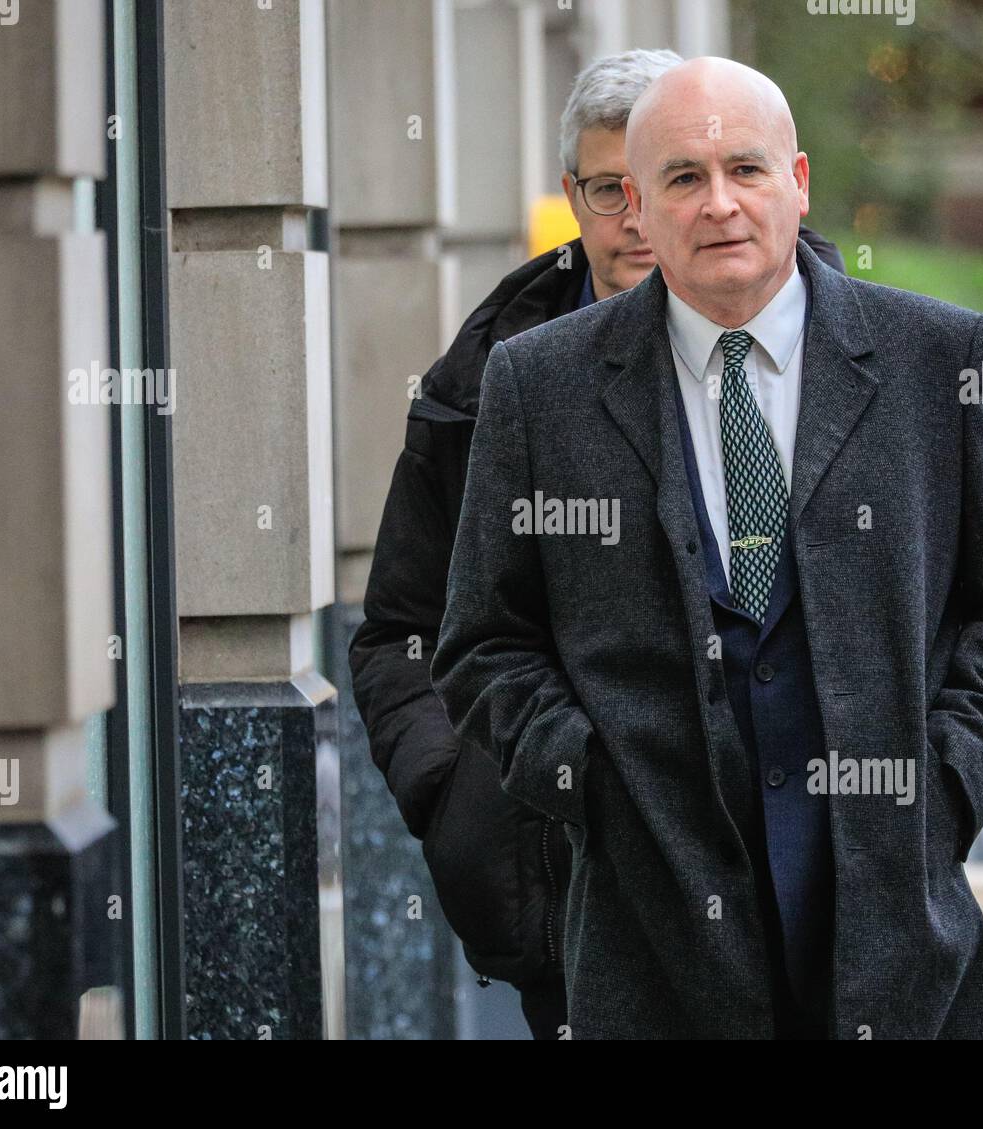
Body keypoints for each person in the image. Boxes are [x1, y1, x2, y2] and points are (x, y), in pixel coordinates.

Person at [432, 56, 983, 1039]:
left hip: (896, 934)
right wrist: (595, 785)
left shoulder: (939, 359)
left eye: (747, 169)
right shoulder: (540, 385)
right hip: (649, 945)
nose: (720, 204)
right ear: (636, 211)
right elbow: (483, 642)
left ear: (799, 181)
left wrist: (942, 788)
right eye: (683, 179)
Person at [347, 47, 846, 1042]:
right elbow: (407, 630)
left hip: (820, 883)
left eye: (664, 179)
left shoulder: (867, 355)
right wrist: (465, 803)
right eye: (609, 189)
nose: (638, 218)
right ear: (572, 198)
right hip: (577, 893)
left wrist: (931, 789)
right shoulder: (491, 382)